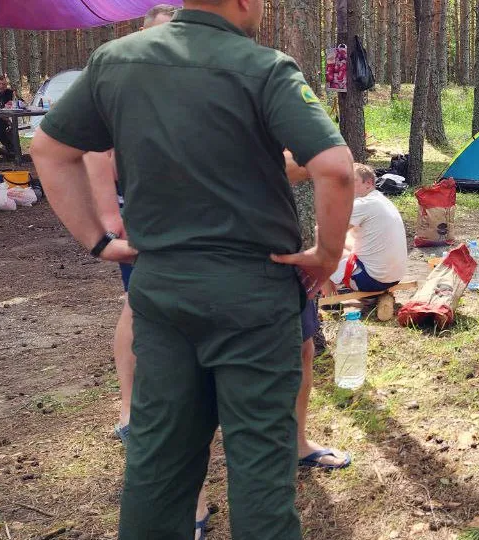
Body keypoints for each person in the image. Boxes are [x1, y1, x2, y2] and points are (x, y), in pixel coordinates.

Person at [31, 1, 355, 538]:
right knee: (261, 470)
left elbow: (48, 148)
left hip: (162, 291)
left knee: (157, 464)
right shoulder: (265, 68)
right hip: (254, 295)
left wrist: (98, 241)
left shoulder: (116, 61)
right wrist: (326, 254)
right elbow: (336, 168)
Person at [327, 163, 408, 292]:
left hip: (373, 280)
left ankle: (327, 296)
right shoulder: (381, 200)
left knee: (320, 238)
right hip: (394, 277)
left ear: (368, 183)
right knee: (347, 237)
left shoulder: (363, 204)